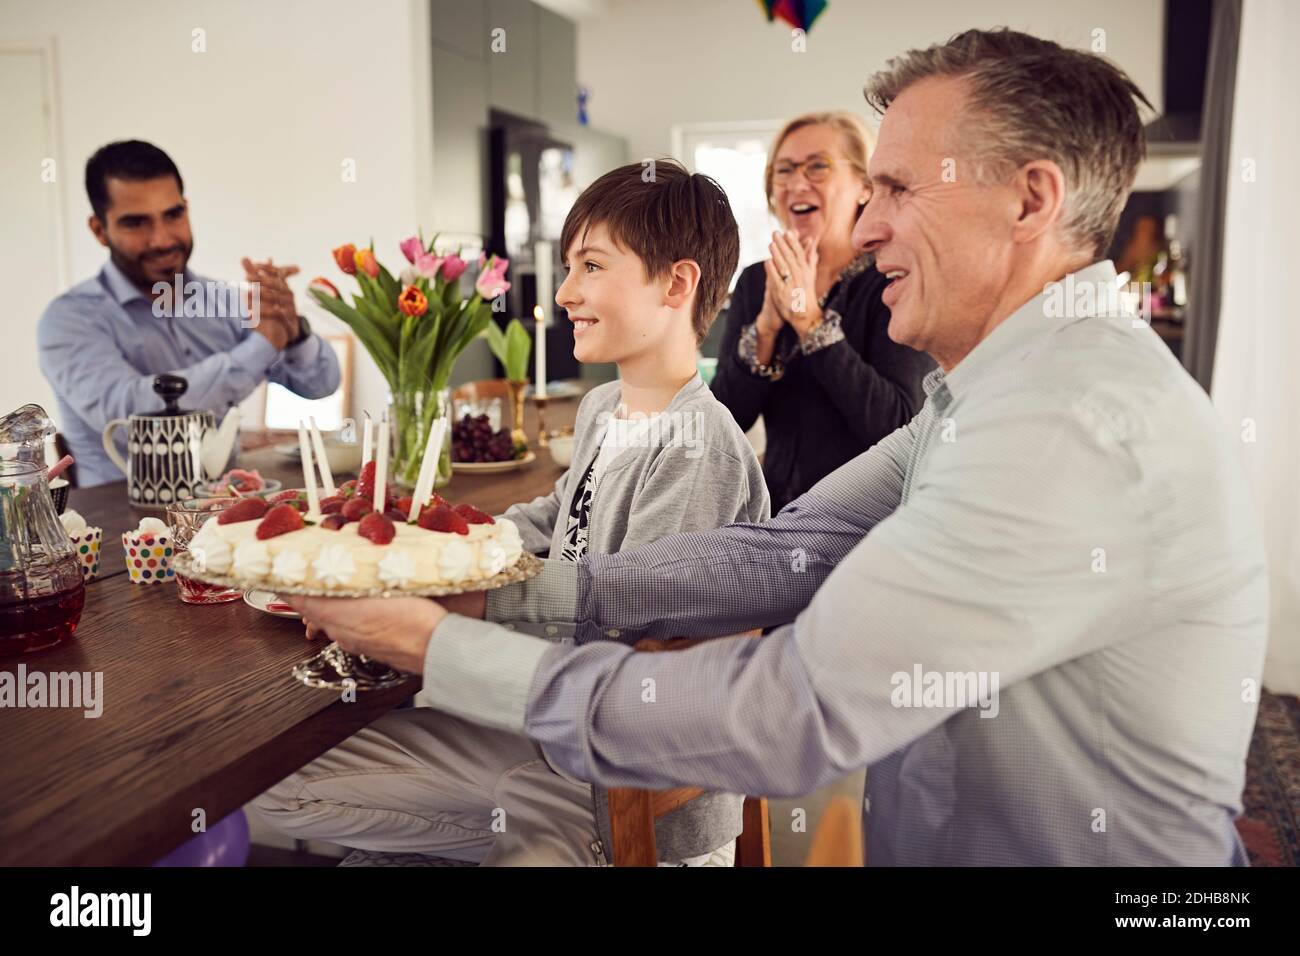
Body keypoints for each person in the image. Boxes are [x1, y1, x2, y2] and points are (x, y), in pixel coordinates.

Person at [285, 29, 1269, 866]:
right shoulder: (998, 389)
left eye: (895, 189)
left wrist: (439, 644)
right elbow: (783, 548)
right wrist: (490, 593)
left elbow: (792, 710)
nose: (867, 224)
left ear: (1029, 201)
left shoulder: (1069, 423)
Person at [253, 160, 770, 866]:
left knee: (280, 791)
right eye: (568, 267)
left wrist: (448, 610)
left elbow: (633, 623)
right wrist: (418, 550)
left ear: (678, 284)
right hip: (554, 747)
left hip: (627, 796)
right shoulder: (602, 410)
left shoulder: (698, 445)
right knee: (288, 794)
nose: (564, 293)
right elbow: (557, 517)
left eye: (591, 266)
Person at [37, 140, 340, 486]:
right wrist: (264, 342)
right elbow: (132, 419)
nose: (162, 239)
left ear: (187, 208)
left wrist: (292, 329)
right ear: (99, 230)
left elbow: (320, 385)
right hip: (122, 524)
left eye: (173, 214)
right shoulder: (69, 320)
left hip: (224, 512)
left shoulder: (220, 300)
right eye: (136, 223)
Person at [711, 111, 933, 510]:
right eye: (784, 170)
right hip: (778, 516)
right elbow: (725, 425)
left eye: (818, 167)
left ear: (864, 187)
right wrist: (765, 331)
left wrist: (810, 323)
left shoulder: (893, 278)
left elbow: (898, 426)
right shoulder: (756, 282)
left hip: (867, 523)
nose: (797, 183)